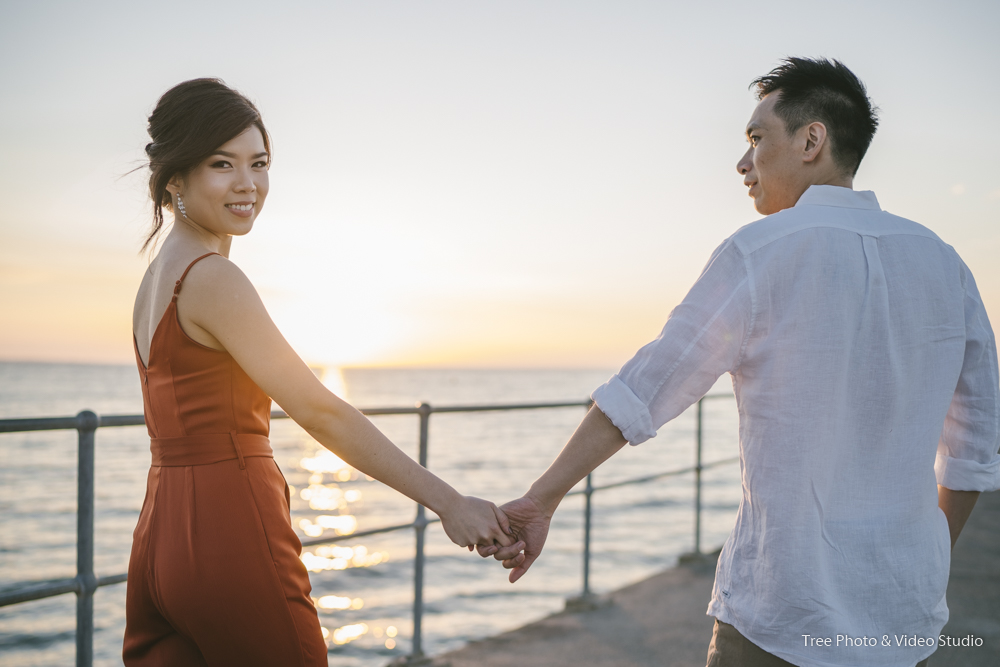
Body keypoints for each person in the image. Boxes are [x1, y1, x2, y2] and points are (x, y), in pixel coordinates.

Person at [483, 58, 1000, 667]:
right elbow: (974, 450)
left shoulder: (757, 254)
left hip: (779, 619)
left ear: (812, 140)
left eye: (757, 138)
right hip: (902, 620)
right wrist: (927, 555)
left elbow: (644, 390)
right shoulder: (947, 265)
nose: (743, 161)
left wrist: (541, 499)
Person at [124, 78, 520, 667]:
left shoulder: (154, 280)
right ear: (174, 177)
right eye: (221, 164)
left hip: (159, 539)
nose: (248, 184)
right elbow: (319, 409)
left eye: (259, 163)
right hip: (229, 531)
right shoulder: (212, 278)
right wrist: (449, 502)